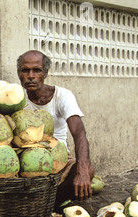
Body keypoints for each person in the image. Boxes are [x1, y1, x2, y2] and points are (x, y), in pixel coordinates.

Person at [16, 50, 95, 208]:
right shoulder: (16, 98)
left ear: (45, 73)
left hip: (58, 159)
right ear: (19, 73)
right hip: (26, 160)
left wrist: (83, 169)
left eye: (36, 70)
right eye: (25, 70)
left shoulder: (62, 96)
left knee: (88, 170)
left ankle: (50, 205)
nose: (30, 76)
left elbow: (79, 133)